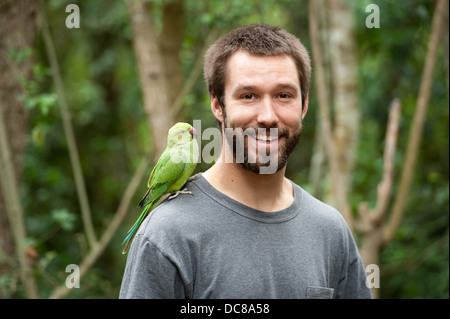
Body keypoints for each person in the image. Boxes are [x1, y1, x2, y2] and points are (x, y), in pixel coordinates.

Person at [119, 23, 372, 299]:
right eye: (248, 96)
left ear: (305, 105)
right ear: (218, 106)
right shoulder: (165, 235)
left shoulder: (331, 231)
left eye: (283, 95)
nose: (267, 116)